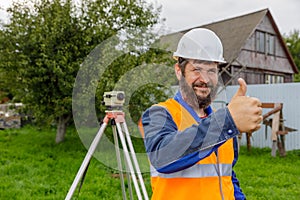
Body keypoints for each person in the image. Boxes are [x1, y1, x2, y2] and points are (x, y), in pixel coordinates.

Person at [139, 28, 263, 200]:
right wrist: (227, 121)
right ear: (178, 71)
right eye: (196, 69)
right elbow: (163, 157)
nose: (204, 79)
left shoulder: (224, 123)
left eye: (211, 70)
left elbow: (226, 176)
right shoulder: (159, 113)